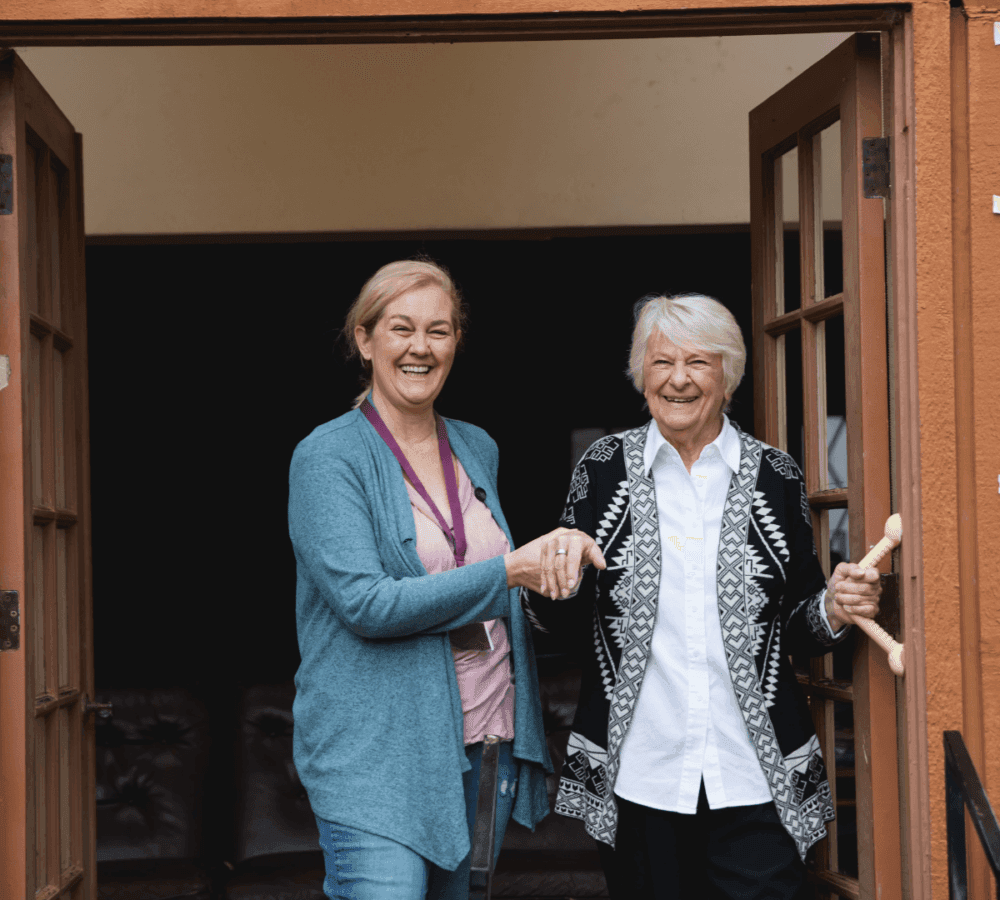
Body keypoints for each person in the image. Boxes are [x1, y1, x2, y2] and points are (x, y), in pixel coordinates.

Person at [524, 293, 882, 900]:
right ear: (641, 376)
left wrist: (835, 607)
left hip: (753, 774)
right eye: (662, 363)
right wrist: (551, 579)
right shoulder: (603, 469)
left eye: (698, 362)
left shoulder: (775, 475)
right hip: (640, 775)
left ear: (728, 375)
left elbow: (798, 623)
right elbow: (564, 618)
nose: (678, 379)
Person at [287, 259, 605, 900]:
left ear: (456, 341)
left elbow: (489, 576)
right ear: (364, 339)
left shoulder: (475, 445)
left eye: (438, 330)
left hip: (484, 742)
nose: (420, 347)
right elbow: (366, 604)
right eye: (401, 328)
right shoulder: (328, 455)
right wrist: (511, 570)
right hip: (376, 758)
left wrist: (554, 566)